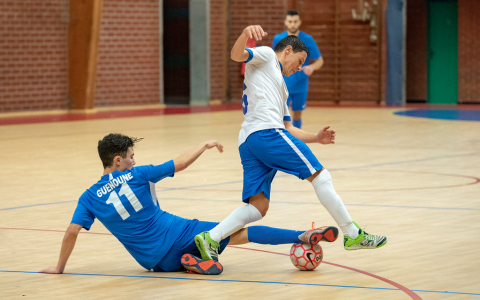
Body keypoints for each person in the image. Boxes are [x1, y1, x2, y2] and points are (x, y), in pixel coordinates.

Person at [194, 25, 387, 263]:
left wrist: (315, 138)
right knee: (320, 176)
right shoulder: (266, 56)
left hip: (249, 140)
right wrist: (245, 34)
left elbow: (290, 128)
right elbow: (236, 56)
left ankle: (210, 238)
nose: (300, 66)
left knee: (258, 207)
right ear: (287, 50)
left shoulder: (281, 88)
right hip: (265, 133)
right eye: (300, 60)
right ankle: (352, 233)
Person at [39, 133, 339, 276]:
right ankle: (299, 235)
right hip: (180, 232)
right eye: (130, 155)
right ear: (118, 161)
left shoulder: (89, 197)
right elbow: (179, 163)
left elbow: (71, 232)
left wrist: (60, 268)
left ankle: (189, 264)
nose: (134, 160)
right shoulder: (137, 174)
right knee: (236, 231)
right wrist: (204, 145)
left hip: (154, 262)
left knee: (201, 246)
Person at [272, 10, 324, 129]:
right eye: (290, 21)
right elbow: (273, 59)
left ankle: (297, 138)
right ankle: (282, 139)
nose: (293, 24)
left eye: (295, 21)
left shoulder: (307, 39)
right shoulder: (278, 38)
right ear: (286, 22)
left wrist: (312, 67)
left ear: (299, 22)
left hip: (301, 84)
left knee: (297, 113)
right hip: (282, 84)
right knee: (280, 115)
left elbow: (320, 60)